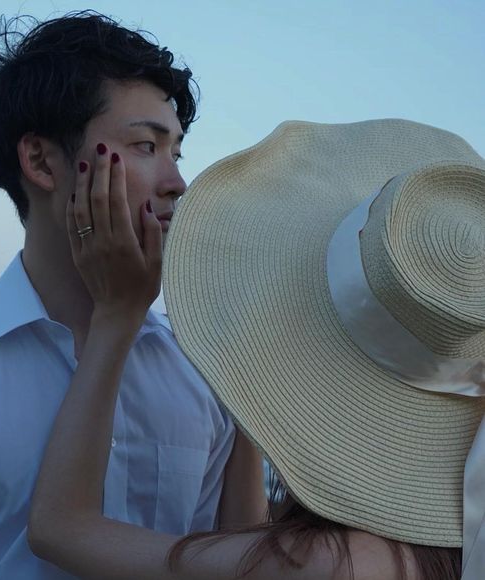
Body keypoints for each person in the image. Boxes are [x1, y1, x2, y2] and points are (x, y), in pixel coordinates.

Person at [28, 118, 485, 580]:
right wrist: (246, 389)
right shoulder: (449, 544)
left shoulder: (327, 562)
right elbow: (241, 536)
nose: (175, 180)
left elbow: (61, 528)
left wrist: (116, 314)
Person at [0, 12, 263, 580]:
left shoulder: (201, 370)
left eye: (176, 153)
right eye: (145, 145)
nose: (177, 184)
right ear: (41, 161)